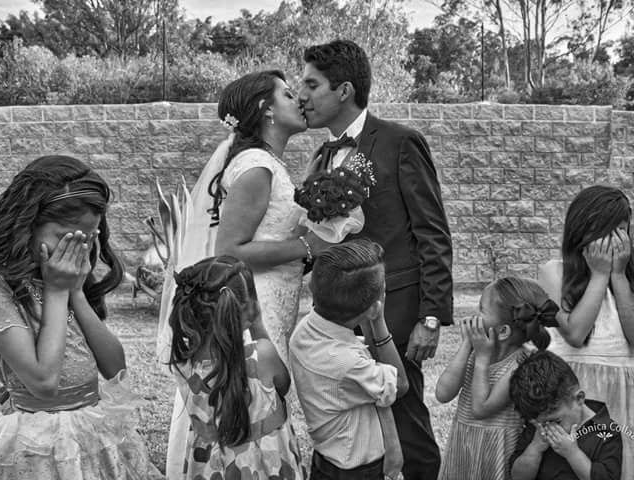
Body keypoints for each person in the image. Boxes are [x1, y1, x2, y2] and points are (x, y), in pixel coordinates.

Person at [159, 70, 330, 477]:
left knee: (263, 405)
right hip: (255, 303)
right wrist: (310, 247)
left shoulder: (266, 164)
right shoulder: (256, 167)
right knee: (252, 410)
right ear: (266, 110)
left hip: (274, 296)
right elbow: (230, 251)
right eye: (288, 94)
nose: (299, 100)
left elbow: (271, 225)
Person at [298, 39, 453, 479]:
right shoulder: (320, 156)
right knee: (360, 424)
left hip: (396, 308)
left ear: (344, 90)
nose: (302, 95)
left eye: (312, 84)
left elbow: (432, 231)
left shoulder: (400, 142)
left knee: (407, 421)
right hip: (337, 315)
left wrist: (431, 317)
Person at [0, 155, 163, 479]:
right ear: (26, 223)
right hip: (36, 445)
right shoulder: (1, 287)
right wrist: (57, 293)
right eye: (64, 237)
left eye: (85, 239)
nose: (73, 250)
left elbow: (116, 368)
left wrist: (76, 293)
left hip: (90, 427)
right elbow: (44, 382)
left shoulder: (56, 276)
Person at [168, 256, 304, 479]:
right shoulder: (261, 355)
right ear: (248, 308)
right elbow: (283, 384)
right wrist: (258, 324)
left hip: (211, 466)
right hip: (263, 466)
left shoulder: (184, 362)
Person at [289, 239, 408, 480]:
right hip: (357, 469)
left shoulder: (305, 330)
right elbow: (401, 384)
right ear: (375, 306)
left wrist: (367, 313)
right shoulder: (348, 364)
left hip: (327, 458)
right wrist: (377, 320)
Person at [538, 185, 634, 478]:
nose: (615, 242)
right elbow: (576, 334)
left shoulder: (627, 280)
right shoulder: (554, 272)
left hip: (620, 395)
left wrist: (617, 276)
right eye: (607, 232)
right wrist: (600, 274)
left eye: (622, 232)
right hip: (573, 395)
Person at [436, 277, 558, 480]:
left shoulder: (520, 366)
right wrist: (467, 345)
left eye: (481, 310)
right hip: (465, 444)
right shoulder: (474, 353)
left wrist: (482, 359)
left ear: (503, 331)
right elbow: (442, 393)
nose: (474, 317)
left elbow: (481, 408)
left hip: (496, 450)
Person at [509, 350, 622, 480]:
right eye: (539, 422)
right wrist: (535, 447)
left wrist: (572, 453)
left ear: (579, 399)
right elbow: (517, 477)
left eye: (556, 421)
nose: (547, 428)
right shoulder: (537, 426)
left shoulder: (606, 431)